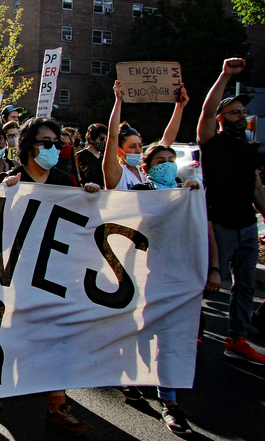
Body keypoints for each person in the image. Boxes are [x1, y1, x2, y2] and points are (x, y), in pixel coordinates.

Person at [0, 117, 99, 437]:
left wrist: (91, 197)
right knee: (9, 335)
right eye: (46, 142)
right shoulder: (9, 179)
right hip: (15, 275)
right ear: (28, 147)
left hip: (54, 273)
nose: (53, 148)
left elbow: (81, 222)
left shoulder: (64, 181)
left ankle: (57, 405)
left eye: (57, 143)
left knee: (59, 340)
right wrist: (2, 196)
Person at [127, 144, 214, 435]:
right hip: (144, 274)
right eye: (159, 161)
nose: (166, 165)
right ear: (147, 166)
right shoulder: (139, 191)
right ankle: (135, 379)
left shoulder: (189, 192)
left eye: (170, 160)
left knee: (171, 338)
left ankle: (169, 402)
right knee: (141, 331)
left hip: (178, 276)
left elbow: (205, 230)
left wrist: (212, 268)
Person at [197, 57, 265, 364]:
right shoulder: (212, 142)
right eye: (236, 112)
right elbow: (206, 111)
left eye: (244, 112)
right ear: (222, 117)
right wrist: (224, 75)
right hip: (219, 227)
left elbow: (256, 188)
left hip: (247, 227)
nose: (243, 116)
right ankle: (187, 329)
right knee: (209, 283)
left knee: (246, 285)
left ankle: (237, 338)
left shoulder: (249, 149)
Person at [103, 80, 189, 190]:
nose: (139, 150)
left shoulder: (144, 171)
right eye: (132, 146)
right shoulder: (115, 172)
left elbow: (167, 140)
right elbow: (112, 136)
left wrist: (179, 107)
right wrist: (118, 101)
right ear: (119, 150)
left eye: (139, 145)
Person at [76, 123, 108, 188]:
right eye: (101, 139)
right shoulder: (80, 156)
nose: (104, 142)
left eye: (106, 139)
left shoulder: (104, 158)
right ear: (91, 139)